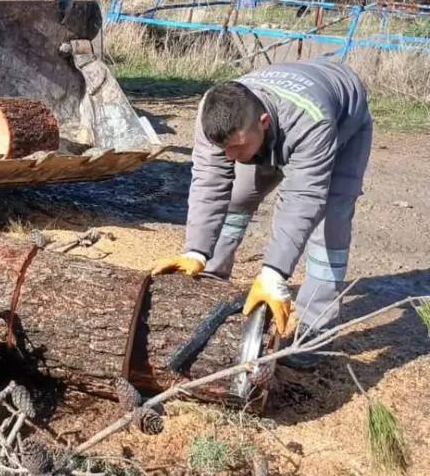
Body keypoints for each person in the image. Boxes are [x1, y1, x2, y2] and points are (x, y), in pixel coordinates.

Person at [152, 62, 373, 350]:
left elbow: (302, 199)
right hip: (276, 125)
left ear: (263, 122)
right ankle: (211, 279)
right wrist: (195, 250)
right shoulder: (212, 109)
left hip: (342, 127)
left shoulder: (311, 122)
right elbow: (209, 181)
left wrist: (274, 274)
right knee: (237, 198)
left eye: (237, 147)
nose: (230, 157)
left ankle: (315, 330)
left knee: (329, 227)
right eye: (224, 148)